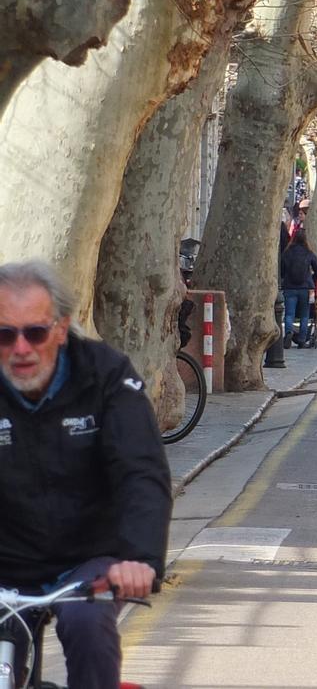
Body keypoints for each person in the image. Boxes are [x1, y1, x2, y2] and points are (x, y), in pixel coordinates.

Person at [0, 260, 171, 688]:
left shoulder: (106, 376)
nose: (21, 348)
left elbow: (140, 471)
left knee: (86, 624)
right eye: (4, 334)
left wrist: (140, 558)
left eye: (35, 332)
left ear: (61, 328)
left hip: (87, 559)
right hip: (6, 559)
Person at [281, 229, 317, 348]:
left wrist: (285, 279)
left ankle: (288, 332)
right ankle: (302, 339)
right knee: (305, 315)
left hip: (289, 287)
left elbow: (282, 271)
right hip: (306, 288)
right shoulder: (309, 253)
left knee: (289, 314)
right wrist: (312, 278)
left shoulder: (287, 253)